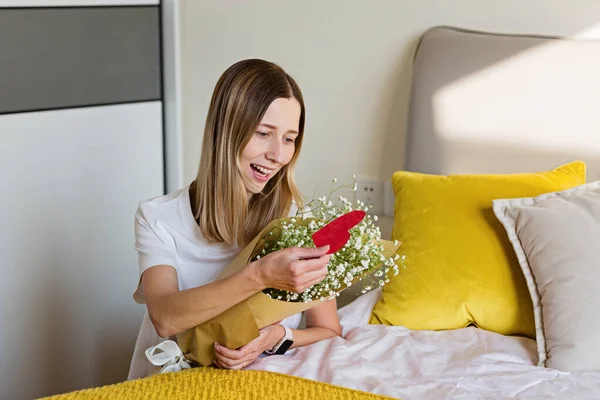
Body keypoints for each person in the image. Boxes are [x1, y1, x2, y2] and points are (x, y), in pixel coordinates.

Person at [127, 59, 342, 380]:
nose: (278, 155)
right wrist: (259, 276)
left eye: (288, 138)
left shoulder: (296, 219)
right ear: (226, 131)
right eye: (263, 133)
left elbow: (329, 330)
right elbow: (166, 319)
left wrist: (278, 337)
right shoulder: (159, 217)